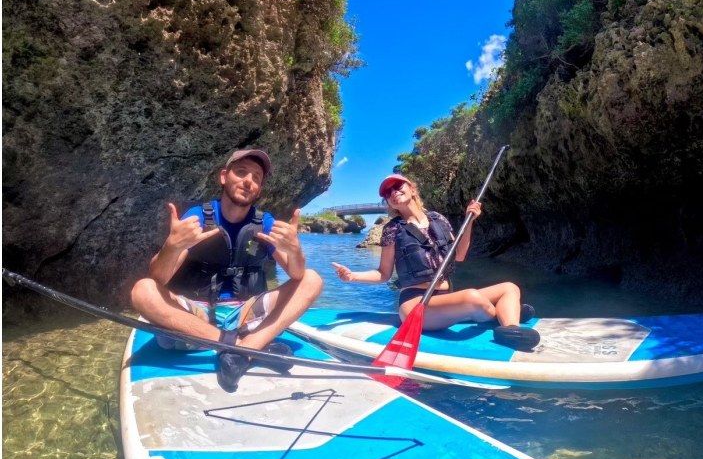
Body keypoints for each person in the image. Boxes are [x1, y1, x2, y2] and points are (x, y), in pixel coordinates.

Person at [129, 149, 322, 392]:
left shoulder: (265, 222)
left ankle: (247, 345)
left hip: (244, 316)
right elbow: (158, 278)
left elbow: (297, 276)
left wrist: (295, 251)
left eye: (256, 178)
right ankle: (240, 347)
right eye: (241, 172)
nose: (248, 181)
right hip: (197, 317)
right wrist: (172, 246)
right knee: (142, 290)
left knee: (312, 279)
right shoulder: (198, 217)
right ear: (223, 177)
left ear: (259, 189)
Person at [332, 174, 539, 350]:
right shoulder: (392, 229)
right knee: (472, 298)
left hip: (444, 297)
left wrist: (469, 221)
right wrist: (353, 276)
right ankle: (500, 313)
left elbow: (459, 255)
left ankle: (511, 328)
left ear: (412, 189)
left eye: (397, 186)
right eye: (387, 193)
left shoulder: (438, 219)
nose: (393, 192)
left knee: (509, 288)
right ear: (388, 202)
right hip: (416, 304)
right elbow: (384, 274)